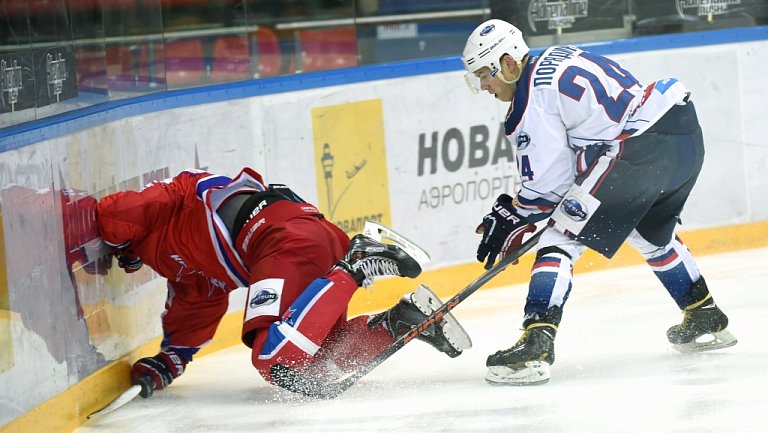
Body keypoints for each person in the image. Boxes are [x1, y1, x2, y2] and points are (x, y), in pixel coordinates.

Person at [461, 19, 737, 385]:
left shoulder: (531, 99)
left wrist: (517, 213)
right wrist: (525, 210)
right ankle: (704, 314)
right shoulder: (556, 57)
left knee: (560, 237)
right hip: (682, 131)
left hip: (639, 150)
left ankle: (536, 344)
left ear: (509, 63)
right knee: (648, 232)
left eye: (485, 74)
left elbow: (549, 186)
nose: (483, 86)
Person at [96, 167, 469, 395]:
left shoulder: (168, 202)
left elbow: (113, 212)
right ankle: (401, 322)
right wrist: (170, 360)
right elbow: (196, 304)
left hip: (284, 240)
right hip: (306, 238)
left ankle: (357, 263)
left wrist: (116, 241)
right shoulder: (180, 265)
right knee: (312, 363)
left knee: (273, 358)